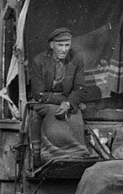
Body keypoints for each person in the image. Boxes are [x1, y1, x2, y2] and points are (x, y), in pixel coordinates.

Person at [28, 27, 88, 169]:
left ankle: (76, 154)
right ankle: (49, 155)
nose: (64, 49)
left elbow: (80, 88)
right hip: (43, 101)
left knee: (76, 113)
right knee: (52, 111)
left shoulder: (76, 59)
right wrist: (63, 102)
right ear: (52, 45)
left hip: (66, 100)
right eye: (60, 45)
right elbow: (38, 93)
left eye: (67, 45)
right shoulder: (39, 61)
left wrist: (68, 103)